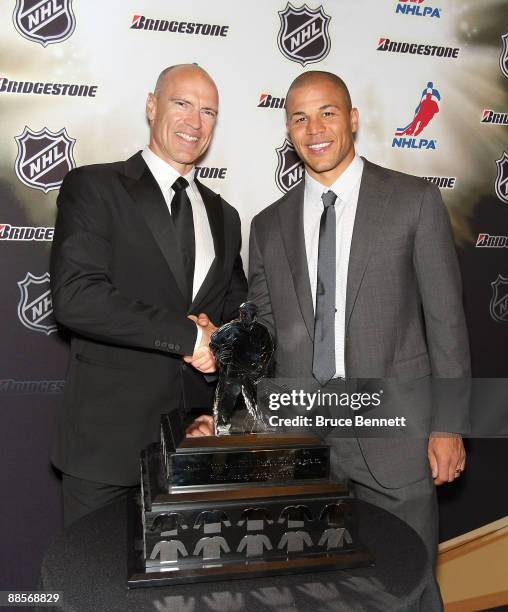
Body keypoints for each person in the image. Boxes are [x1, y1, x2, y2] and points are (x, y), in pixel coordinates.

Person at [247, 71, 470, 568]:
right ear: (288, 131)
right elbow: (262, 334)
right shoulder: (266, 226)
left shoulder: (413, 201)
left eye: (327, 112)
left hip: (395, 440)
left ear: (352, 118)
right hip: (301, 444)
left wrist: (448, 426)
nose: (314, 128)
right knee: (315, 588)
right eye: (299, 118)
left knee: (408, 583)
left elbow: (446, 323)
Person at [50, 64, 247, 526]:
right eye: (181, 103)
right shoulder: (95, 187)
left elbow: (238, 314)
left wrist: (223, 364)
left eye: (208, 111)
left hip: (196, 445)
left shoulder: (227, 216)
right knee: (92, 588)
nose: (194, 122)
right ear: (152, 105)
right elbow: (77, 296)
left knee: (184, 592)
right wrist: (190, 338)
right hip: (106, 448)